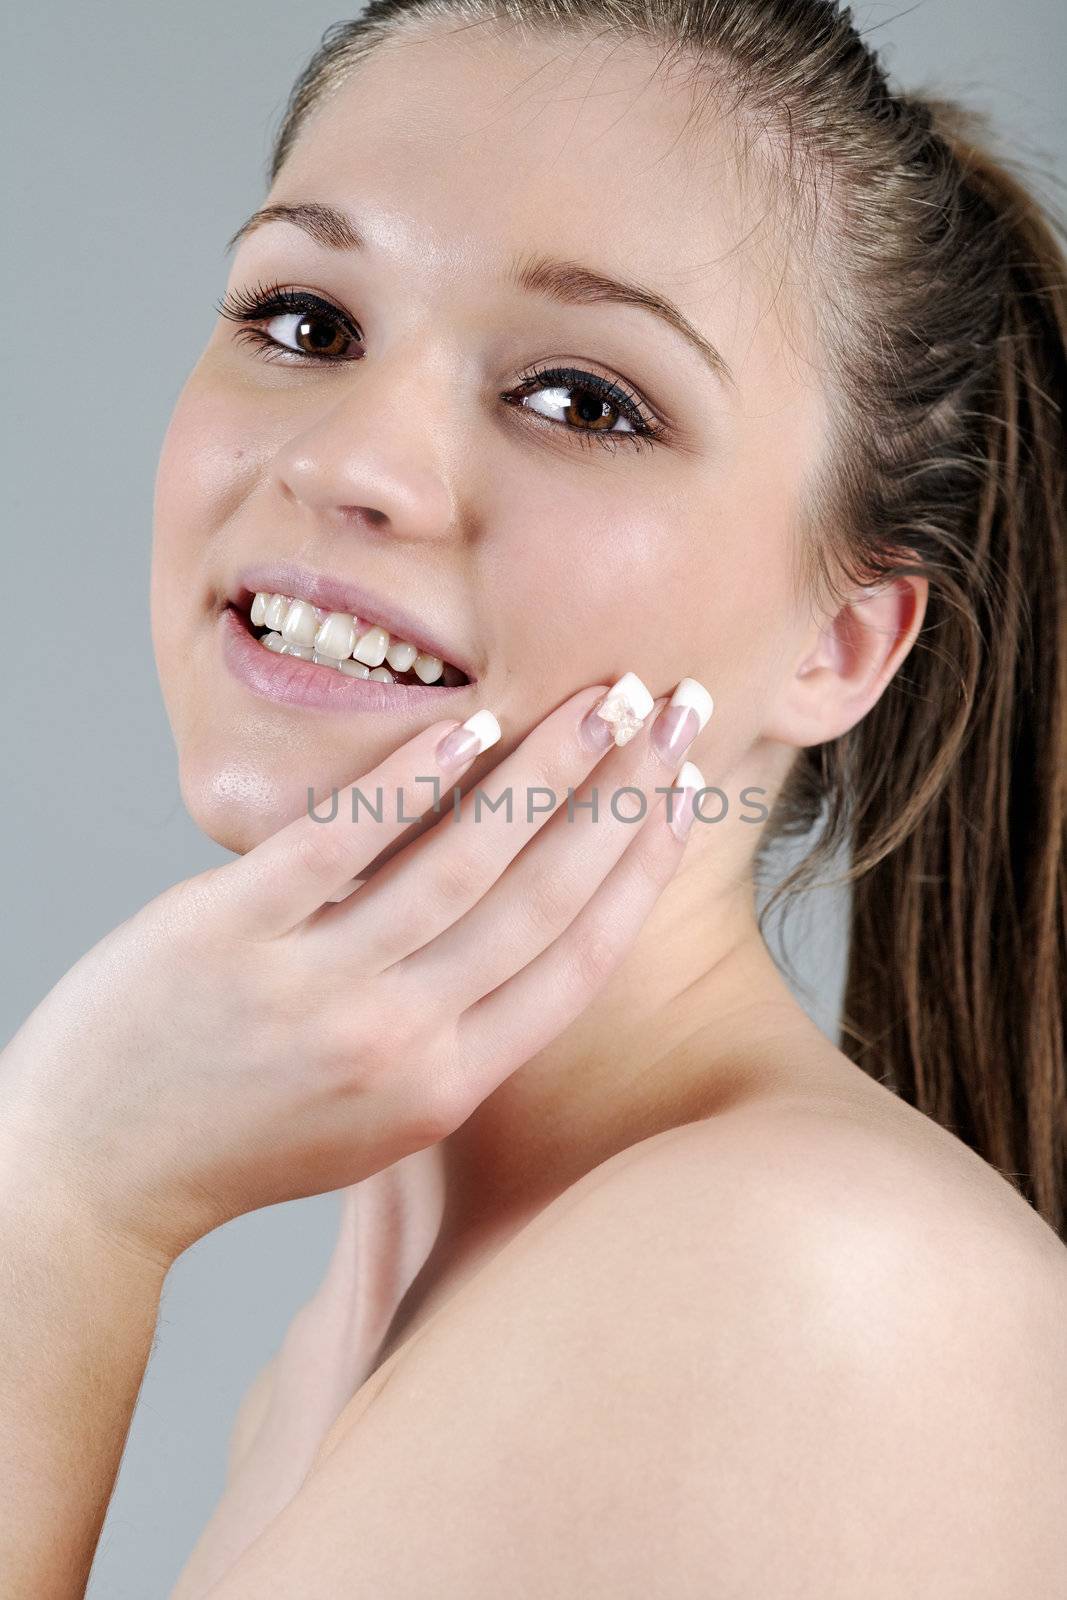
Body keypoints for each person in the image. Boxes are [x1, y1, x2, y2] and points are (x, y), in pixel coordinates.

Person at [3, 2, 1066, 1594]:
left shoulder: (808, 1289)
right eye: (305, 320)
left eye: (582, 399)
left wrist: (63, 1200)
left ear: (843, 646)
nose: (358, 462)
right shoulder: (319, 1375)